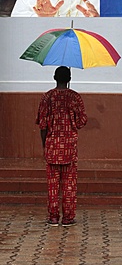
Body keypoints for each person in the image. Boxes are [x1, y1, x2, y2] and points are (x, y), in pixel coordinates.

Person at [36, 66, 87, 226]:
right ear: (70, 79)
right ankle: (68, 217)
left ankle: (53, 217)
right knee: (69, 184)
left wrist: (45, 144)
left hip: (52, 146)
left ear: (54, 77)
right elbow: (81, 122)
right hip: (69, 148)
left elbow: (42, 125)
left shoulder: (47, 97)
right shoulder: (75, 98)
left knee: (52, 185)